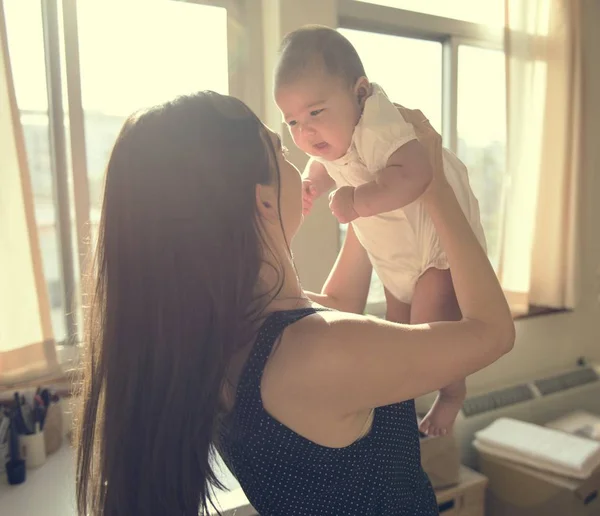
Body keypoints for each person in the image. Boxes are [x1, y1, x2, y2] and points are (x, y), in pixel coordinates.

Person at [75, 91, 514, 516]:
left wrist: (369, 180)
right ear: (263, 199)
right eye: (283, 151)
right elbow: (492, 332)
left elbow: (341, 301)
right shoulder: (318, 352)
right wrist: (434, 186)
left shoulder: (236, 335)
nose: (303, 161)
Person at [274, 25, 488, 436]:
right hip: (394, 254)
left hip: (432, 251)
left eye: (316, 113)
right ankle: (399, 418)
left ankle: (452, 393)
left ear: (359, 93)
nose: (306, 132)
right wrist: (313, 184)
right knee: (397, 335)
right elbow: (324, 164)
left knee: (431, 337)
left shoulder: (379, 125)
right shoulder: (337, 135)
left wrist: (357, 201)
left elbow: (416, 172)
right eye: (293, 122)